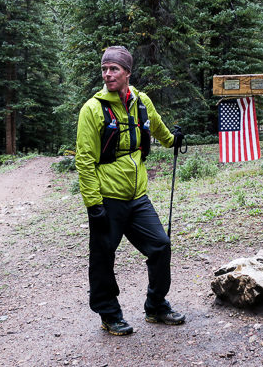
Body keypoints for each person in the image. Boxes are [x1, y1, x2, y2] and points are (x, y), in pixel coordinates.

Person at [75, 46, 185, 336]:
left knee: (160, 246)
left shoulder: (141, 102)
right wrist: (93, 205)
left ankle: (156, 306)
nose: (107, 74)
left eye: (114, 69)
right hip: (107, 198)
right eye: (104, 69)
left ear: (127, 73)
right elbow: (84, 160)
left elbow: (159, 130)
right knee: (103, 258)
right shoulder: (93, 109)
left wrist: (174, 140)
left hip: (137, 197)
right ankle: (109, 314)